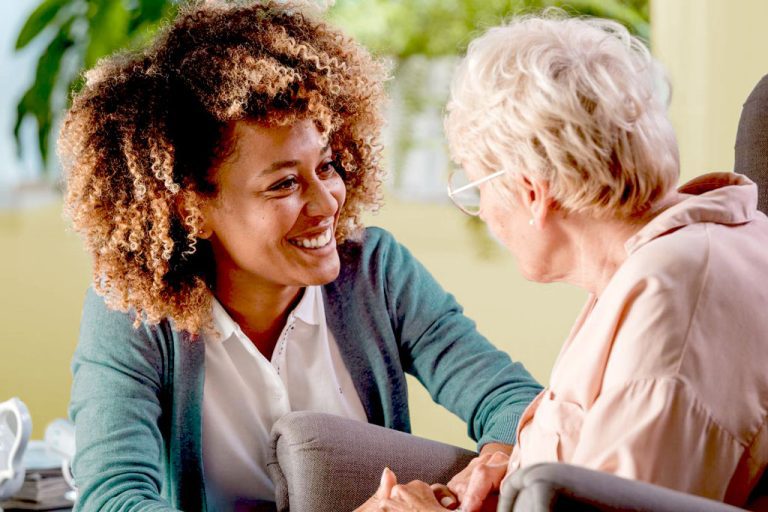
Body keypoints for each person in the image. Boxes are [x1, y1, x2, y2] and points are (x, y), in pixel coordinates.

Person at [59, 1, 543, 510]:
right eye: (284, 183)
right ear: (192, 207)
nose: (326, 201)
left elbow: (513, 400)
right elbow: (112, 498)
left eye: (328, 165)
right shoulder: (136, 313)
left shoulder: (376, 272)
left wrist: (494, 463)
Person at [361, 12, 768, 512]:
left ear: (532, 193)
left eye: (477, 187)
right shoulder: (664, 260)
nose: (484, 210)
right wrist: (508, 468)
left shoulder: (670, 301)